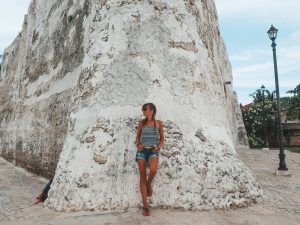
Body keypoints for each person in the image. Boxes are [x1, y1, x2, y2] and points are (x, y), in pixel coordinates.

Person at [135, 103, 164, 216]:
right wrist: (138, 144)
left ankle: (149, 183)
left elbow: (162, 139)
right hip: (142, 151)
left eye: (145, 109)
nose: (143, 111)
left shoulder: (158, 124)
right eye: (143, 109)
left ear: (151, 111)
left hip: (153, 151)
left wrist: (158, 147)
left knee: (153, 169)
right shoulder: (141, 123)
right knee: (142, 176)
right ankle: (145, 207)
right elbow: (137, 137)